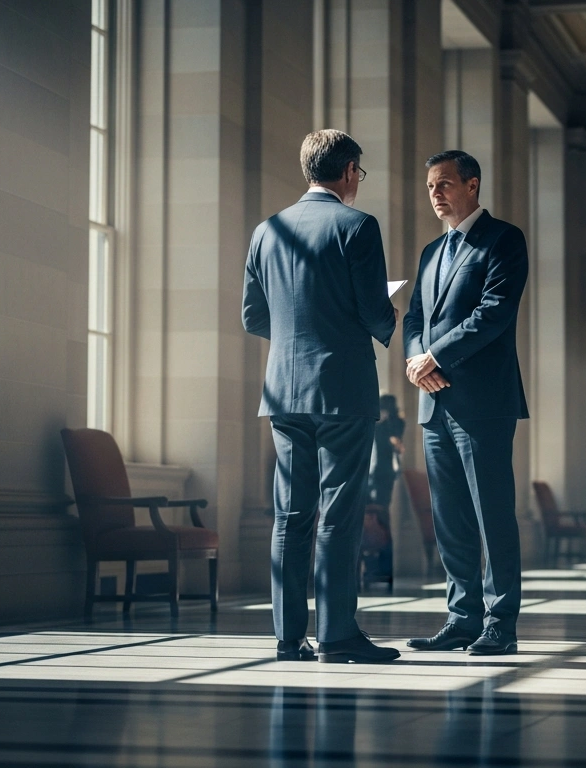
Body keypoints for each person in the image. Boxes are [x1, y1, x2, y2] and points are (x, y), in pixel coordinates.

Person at [242, 129, 401, 664]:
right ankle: (336, 635)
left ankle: (288, 638)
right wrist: (392, 314)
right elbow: (374, 313)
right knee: (339, 511)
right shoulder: (357, 226)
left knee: (291, 515)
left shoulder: (267, 230)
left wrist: (298, 333)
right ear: (351, 171)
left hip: (282, 391)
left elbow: (253, 315)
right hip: (342, 388)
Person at [401, 150, 529, 656]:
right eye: (430, 185)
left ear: (472, 185)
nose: (435, 193)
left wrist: (433, 357)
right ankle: (460, 618)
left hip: (484, 402)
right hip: (435, 403)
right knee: (449, 517)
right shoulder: (431, 252)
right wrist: (417, 359)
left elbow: (493, 312)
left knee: (492, 514)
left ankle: (501, 624)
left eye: (445, 184)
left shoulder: (504, 239)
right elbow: (413, 318)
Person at [363, 394, 405, 581]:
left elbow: (397, 443)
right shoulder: (372, 423)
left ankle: (383, 568)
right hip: (370, 476)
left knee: (381, 519)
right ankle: (371, 567)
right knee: (371, 520)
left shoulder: (393, 424)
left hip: (381, 477)